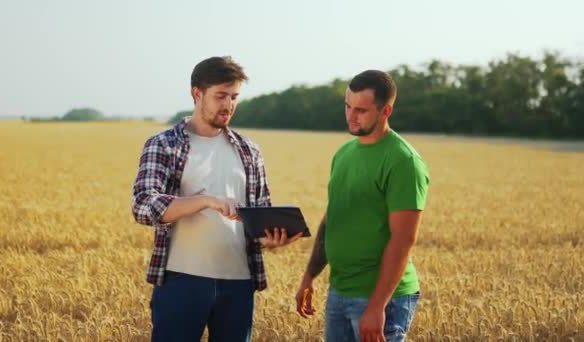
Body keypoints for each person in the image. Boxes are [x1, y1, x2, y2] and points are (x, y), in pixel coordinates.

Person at [132, 56, 301, 342]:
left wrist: (270, 239)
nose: (228, 105)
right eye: (220, 96)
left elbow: (259, 213)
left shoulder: (249, 150)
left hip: (239, 284)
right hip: (181, 281)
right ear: (197, 93)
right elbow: (143, 205)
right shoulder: (164, 144)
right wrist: (204, 201)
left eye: (234, 96)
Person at [295, 70, 430, 342]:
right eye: (347, 106)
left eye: (361, 110)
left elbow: (403, 240)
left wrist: (377, 306)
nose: (350, 116)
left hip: (381, 300)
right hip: (340, 292)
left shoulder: (403, 161)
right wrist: (309, 276)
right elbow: (331, 219)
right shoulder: (343, 154)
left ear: (386, 110)